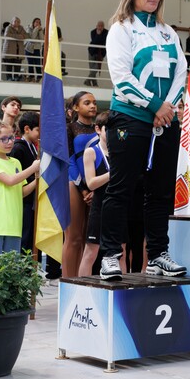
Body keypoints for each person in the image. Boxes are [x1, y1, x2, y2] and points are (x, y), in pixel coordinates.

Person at [99, 0, 188, 281]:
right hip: (130, 118)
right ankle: (110, 256)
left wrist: (168, 108)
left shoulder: (168, 32)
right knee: (121, 189)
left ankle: (158, 255)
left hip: (165, 122)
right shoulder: (121, 29)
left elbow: (181, 72)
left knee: (161, 193)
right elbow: (122, 78)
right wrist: (155, 106)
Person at [0, 120, 40, 256]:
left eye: (11, 137)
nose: (10, 142)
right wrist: (32, 168)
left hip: (14, 225)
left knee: (11, 267)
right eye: (4, 139)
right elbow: (10, 181)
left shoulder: (15, 162)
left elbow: (21, 192)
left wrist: (37, 180)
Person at [65, 91, 98, 278]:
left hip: (96, 185)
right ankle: (68, 281)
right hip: (75, 184)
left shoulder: (99, 128)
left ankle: (83, 280)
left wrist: (94, 186)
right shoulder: (70, 128)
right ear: (76, 107)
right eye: (87, 103)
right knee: (74, 238)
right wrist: (83, 189)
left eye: (94, 102)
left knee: (89, 239)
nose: (92, 106)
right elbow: (69, 160)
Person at [78, 111, 111, 276]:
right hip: (99, 207)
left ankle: (122, 288)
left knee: (121, 251)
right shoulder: (91, 152)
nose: (112, 133)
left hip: (117, 206)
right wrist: (113, 173)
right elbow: (91, 183)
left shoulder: (120, 152)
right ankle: (81, 288)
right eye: (108, 129)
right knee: (91, 252)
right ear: (98, 129)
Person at [9, 111, 40, 256]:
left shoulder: (32, 146)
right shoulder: (18, 148)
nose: (40, 134)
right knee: (24, 237)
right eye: (38, 129)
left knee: (29, 237)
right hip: (23, 199)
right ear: (27, 129)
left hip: (31, 198)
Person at [2, 16, 27, 81]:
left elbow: (25, 35)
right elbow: (7, 35)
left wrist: (18, 36)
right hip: (9, 50)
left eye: (18, 21)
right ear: (12, 22)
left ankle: (16, 77)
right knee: (9, 66)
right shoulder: (8, 27)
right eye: (15, 21)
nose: (16, 23)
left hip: (19, 51)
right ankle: (9, 78)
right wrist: (19, 36)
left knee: (17, 66)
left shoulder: (21, 28)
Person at [86, 20, 108, 87]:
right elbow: (94, 41)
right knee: (92, 68)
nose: (100, 27)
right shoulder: (93, 32)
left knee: (96, 67)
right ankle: (94, 83)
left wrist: (98, 35)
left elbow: (103, 41)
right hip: (92, 52)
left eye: (101, 26)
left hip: (100, 53)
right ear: (96, 26)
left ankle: (88, 80)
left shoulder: (106, 32)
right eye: (99, 26)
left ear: (103, 27)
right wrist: (98, 35)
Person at [26, 17, 43, 82]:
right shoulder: (29, 28)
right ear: (33, 22)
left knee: (38, 63)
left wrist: (40, 31)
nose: (38, 23)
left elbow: (42, 39)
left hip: (37, 48)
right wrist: (36, 29)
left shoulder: (40, 29)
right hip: (29, 48)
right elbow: (32, 38)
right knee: (30, 64)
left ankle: (39, 77)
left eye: (39, 22)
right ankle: (31, 77)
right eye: (36, 22)